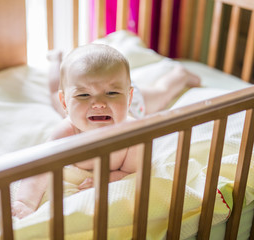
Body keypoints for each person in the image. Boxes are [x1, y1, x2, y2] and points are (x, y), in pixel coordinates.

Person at [12, 44, 200, 219]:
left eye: (111, 93)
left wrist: (106, 180)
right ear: (66, 103)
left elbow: (131, 171)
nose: (99, 103)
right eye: (84, 94)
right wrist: (25, 202)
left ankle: (180, 74)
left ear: (128, 96)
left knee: (162, 92)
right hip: (78, 110)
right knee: (55, 93)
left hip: (136, 108)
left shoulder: (133, 137)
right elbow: (40, 169)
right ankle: (55, 60)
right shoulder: (66, 132)